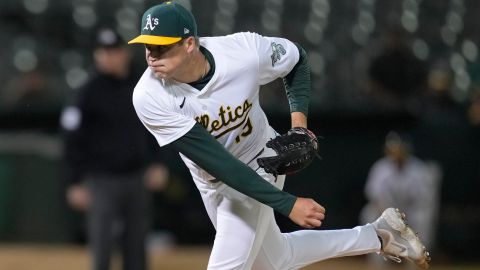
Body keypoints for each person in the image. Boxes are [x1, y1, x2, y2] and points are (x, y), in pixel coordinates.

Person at [128, 2, 430, 269]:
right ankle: (380, 235)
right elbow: (219, 162)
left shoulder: (242, 53)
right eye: (147, 46)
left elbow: (296, 59)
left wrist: (299, 125)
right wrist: (286, 203)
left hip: (264, 160)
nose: (151, 56)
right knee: (276, 260)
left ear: (190, 43)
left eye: (162, 46)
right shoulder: (149, 96)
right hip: (214, 177)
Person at [60, 27, 169, 270]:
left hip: (136, 177)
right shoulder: (87, 90)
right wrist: (74, 181)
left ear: (125, 53)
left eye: (113, 51)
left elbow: (159, 127)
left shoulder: (143, 84)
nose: (108, 56)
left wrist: (158, 163)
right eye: (103, 51)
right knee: (102, 247)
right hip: (101, 181)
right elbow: (71, 140)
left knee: (137, 248)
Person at [360, 132, 441, 267]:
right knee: (368, 212)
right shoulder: (381, 168)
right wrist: (392, 218)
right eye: (394, 149)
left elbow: (425, 200)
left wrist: (405, 219)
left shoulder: (418, 169)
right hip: (388, 214)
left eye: (400, 149)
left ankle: (416, 263)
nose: (397, 153)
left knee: (424, 216)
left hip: (412, 213)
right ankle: (378, 265)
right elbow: (375, 197)